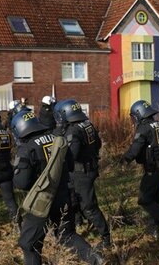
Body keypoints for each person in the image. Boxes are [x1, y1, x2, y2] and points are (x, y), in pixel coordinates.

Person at [12, 110, 103, 265]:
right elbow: (70, 165)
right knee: (67, 235)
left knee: (28, 243)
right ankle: (96, 259)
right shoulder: (57, 139)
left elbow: (22, 183)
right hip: (64, 196)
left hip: (42, 201)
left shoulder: (27, 149)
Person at [53, 99, 111, 248]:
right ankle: (77, 225)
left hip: (81, 172)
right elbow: (97, 143)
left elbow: (72, 155)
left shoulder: (73, 130)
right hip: (89, 168)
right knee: (75, 201)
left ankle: (106, 238)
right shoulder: (87, 124)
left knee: (89, 206)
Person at [122, 100, 159, 239]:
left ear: (138, 114)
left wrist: (124, 159)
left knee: (144, 199)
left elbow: (136, 147)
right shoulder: (158, 124)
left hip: (153, 168)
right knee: (155, 198)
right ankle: (154, 228)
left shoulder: (144, 128)